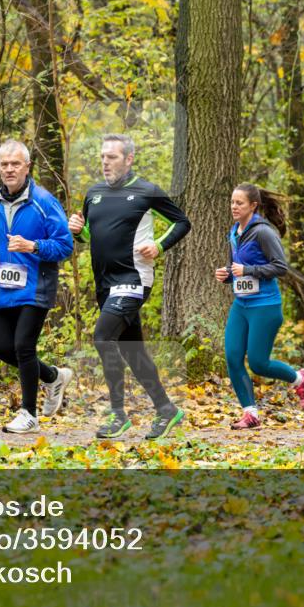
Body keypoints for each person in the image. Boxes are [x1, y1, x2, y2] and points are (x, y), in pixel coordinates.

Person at [68, 133, 191, 440]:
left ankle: (117, 414)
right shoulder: (93, 193)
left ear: (129, 159)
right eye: (102, 157)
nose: (105, 162)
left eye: (112, 157)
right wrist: (77, 232)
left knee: (102, 337)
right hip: (105, 285)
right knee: (132, 350)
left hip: (134, 279)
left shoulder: (147, 191)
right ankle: (166, 410)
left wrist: (159, 246)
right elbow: (88, 238)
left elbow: (182, 222)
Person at [0, 140, 75, 434]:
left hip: (36, 286)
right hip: (5, 287)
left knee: (23, 346)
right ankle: (53, 376)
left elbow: (65, 245)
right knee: (1, 347)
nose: (9, 169)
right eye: (4, 164)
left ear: (27, 167)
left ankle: (28, 414)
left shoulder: (44, 202)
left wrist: (33, 246)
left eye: (15, 164)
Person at [215, 184, 304, 429]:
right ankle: (251, 414)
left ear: (253, 206)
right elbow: (236, 269)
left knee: (259, 363)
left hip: (265, 306)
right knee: (233, 356)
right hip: (241, 305)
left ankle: (299, 378)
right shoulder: (234, 232)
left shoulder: (263, 232)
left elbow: (280, 267)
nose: (234, 207)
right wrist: (227, 274)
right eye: (232, 202)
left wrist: (247, 270)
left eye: (239, 203)